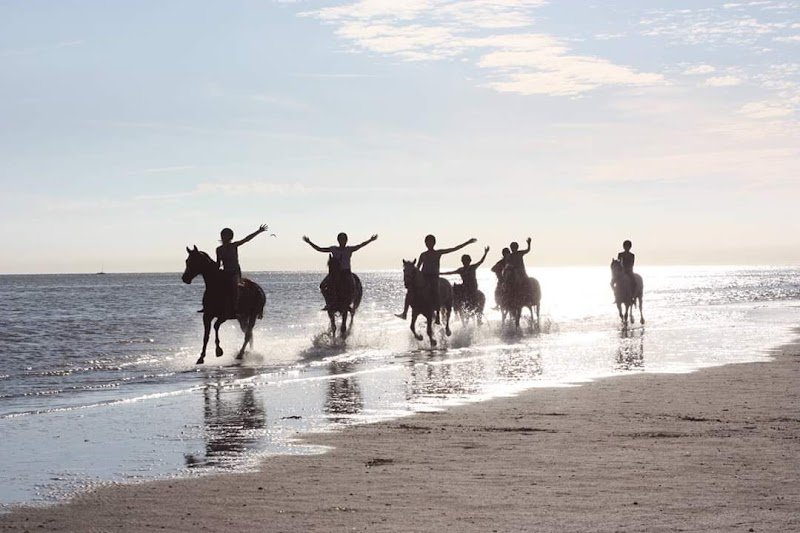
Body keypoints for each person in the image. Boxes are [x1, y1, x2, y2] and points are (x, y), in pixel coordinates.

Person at [396, 235, 476, 322]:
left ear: (434, 243)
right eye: (427, 242)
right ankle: (404, 313)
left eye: (430, 242)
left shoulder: (438, 253)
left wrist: (467, 243)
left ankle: (437, 315)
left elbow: (453, 249)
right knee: (410, 291)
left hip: (434, 278)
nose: (428, 244)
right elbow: (418, 268)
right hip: (424, 277)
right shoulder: (423, 255)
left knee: (435, 290)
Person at [303, 233, 378, 310]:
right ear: (338, 240)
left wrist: (370, 240)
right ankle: (328, 303)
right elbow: (320, 249)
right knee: (322, 285)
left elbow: (360, 245)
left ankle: (349, 302)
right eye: (341, 240)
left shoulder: (349, 249)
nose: (343, 241)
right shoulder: (333, 249)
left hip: (346, 272)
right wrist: (309, 242)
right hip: (335, 273)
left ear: (346, 240)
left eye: (344, 240)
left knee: (353, 286)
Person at [216, 224, 268, 316]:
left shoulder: (234, 245)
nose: (224, 238)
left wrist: (258, 231)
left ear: (230, 237)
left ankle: (235, 307)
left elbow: (246, 239)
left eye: (226, 236)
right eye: (223, 235)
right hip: (225, 273)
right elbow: (218, 264)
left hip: (235, 272)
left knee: (234, 286)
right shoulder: (219, 249)